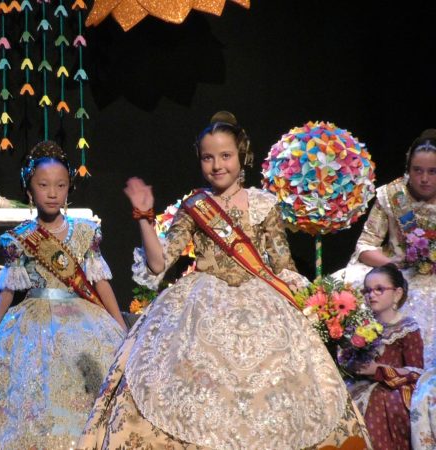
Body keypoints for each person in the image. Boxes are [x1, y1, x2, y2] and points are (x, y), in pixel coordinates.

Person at [79, 112, 369, 449]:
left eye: (225, 155)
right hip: (202, 305)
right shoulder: (194, 206)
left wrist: (311, 305)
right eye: (208, 157)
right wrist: (144, 216)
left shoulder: (264, 204)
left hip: (262, 304)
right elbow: (159, 264)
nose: (217, 165)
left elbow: (283, 266)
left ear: (241, 156)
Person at [0, 141, 127, 449]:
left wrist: (123, 330)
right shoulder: (20, 238)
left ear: (69, 188)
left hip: (84, 323)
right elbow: (7, 292)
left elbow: (101, 283)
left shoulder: (86, 232)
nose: (52, 193)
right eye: (43, 185)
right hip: (32, 324)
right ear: (29, 189)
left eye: (60, 185)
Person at [334, 129, 436, 367]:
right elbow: (365, 245)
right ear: (408, 169)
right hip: (398, 270)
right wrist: (392, 265)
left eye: (433, 171)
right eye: (417, 170)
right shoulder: (392, 196)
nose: (424, 178)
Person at [341, 264, 423, 449]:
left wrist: (378, 370)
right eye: (367, 290)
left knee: (379, 402)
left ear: (397, 294)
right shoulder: (360, 325)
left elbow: (417, 372)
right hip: (356, 385)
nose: (372, 295)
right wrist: (353, 365)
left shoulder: (407, 328)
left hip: (390, 390)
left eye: (379, 289)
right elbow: (346, 359)